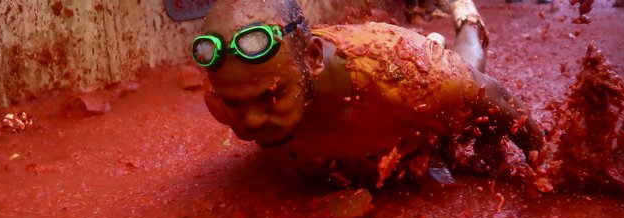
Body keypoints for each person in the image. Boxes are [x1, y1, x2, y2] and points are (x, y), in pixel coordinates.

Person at [193, 0, 544, 187]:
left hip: (402, 63)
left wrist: (543, 164)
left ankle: (467, 19)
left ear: (313, 59)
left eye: (270, 97)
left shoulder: (403, 72)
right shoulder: (225, 91)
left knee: (460, 77)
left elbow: (497, 98)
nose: (252, 120)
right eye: (236, 103)